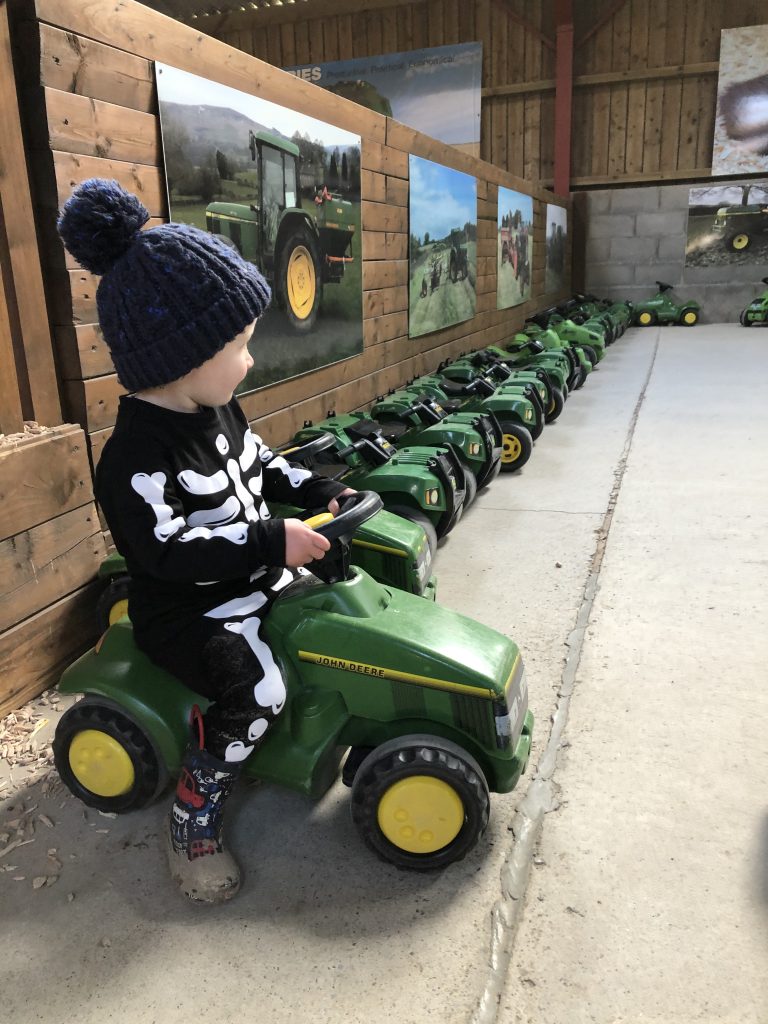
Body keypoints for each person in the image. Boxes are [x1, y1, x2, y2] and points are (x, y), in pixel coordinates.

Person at [57, 179, 354, 904]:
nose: (249, 362)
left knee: (347, 605)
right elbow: (168, 555)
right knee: (260, 688)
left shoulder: (217, 407)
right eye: (240, 347)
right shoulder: (132, 462)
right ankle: (197, 814)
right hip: (190, 613)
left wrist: (316, 491)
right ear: (181, 358)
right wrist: (266, 542)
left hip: (254, 576)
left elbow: (259, 461)